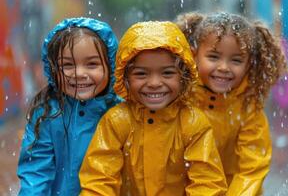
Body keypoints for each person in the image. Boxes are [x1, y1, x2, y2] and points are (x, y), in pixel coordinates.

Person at [79, 21, 228, 196]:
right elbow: (100, 181)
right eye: (141, 74)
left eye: (167, 73)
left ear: (184, 76)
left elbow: (207, 184)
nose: (154, 83)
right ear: (125, 78)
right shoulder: (117, 121)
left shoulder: (193, 123)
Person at [175, 12, 288, 195]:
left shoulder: (248, 109)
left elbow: (251, 169)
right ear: (194, 55)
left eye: (236, 60)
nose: (223, 67)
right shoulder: (180, 97)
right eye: (213, 57)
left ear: (250, 64)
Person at [17, 17, 122, 195]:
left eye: (92, 64)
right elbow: (36, 172)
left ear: (111, 66)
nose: (79, 73)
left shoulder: (122, 113)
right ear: (53, 69)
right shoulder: (48, 114)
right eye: (67, 65)